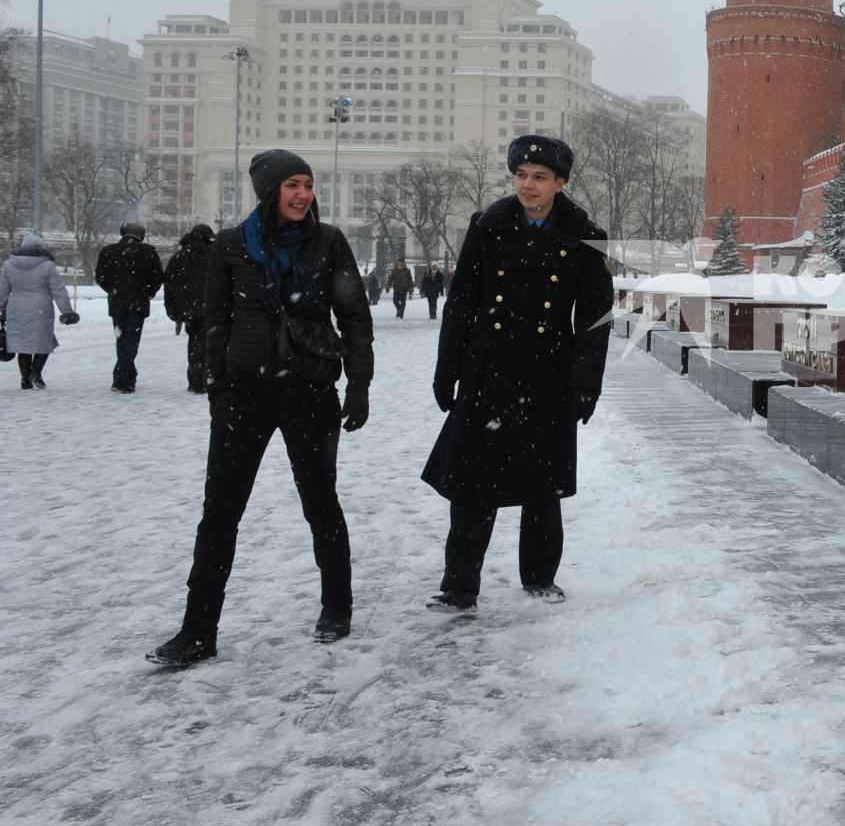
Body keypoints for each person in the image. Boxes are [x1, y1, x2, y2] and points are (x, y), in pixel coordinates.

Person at [146, 150, 375, 669]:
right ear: (269, 192)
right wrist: (217, 384)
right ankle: (198, 630)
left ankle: (336, 605)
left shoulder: (328, 242)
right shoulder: (230, 245)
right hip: (244, 394)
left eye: (308, 185)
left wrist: (359, 383)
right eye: (292, 185)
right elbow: (215, 319)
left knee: (320, 502)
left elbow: (355, 316)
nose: (302, 195)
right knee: (220, 513)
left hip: (309, 389)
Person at [422, 134, 613, 610]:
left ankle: (539, 579)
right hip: (488, 369)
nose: (528, 185)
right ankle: (460, 585)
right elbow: (462, 302)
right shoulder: (488, 225)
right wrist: (447, 370)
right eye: (522, 176)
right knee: (471, 484)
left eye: (540, 177)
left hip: (548, 371)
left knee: (541, 486)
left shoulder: (583, 235)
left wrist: (585, 383)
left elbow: (594, 317)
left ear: (560, 183)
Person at [0, 234, 80, 390]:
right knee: (43, 340)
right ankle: (36, 372)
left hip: (16, 307)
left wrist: (1, 307)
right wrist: (67, 311)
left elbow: (3, 290)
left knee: (23, 344)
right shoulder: (48, 266)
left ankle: (25, 379)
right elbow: (58, 290)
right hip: (40, 306)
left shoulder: (9, 265)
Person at [94, 222, 166, 393]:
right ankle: (122, 377)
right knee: (132, 340)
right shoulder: (148, 252)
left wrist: (112, 289)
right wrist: (148, 292)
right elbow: (157, 277)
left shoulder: (108, 251)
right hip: (138, 303)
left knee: (121, 338)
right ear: (140, 235)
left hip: (117, 302)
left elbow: (100, 276)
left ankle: (125, 376)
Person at [162, 224, 217, 393]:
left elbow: (169, 285)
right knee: (212, 344)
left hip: (189, 309)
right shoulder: (216, 255)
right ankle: (208, 378)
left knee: (194, 343)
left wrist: (173, 310)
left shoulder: (180, 257)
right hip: (214, 307)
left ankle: (195, 379)